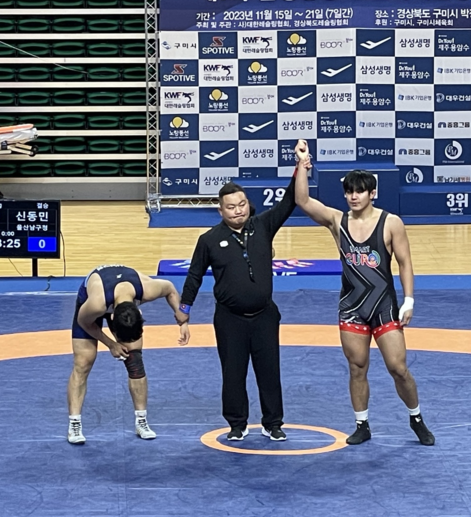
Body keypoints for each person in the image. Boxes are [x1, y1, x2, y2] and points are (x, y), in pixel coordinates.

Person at [293, 139, 435, 446]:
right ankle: (362, 425)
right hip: (352, 307)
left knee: (398, 368)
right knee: (357, 368)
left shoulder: (390, 223)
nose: (354, 197)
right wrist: (302, 164)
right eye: (349, 192)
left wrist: (409, 300)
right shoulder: (337, 221)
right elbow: (302, 200)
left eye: (360, 191)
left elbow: (405, 263)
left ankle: (416, 418)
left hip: (384, 307)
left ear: (373, 193)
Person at [174, 174, 297, 442]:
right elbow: (194, 275)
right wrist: (184, 310)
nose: (238, 210)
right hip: (230, 319)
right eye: (231, 207)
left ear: (248, 204)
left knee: (269, 371)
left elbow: (289, 201)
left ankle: (273, 423)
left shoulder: (263, 225)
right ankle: (237, 424)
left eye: (242, 204)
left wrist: (300, 168)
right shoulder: (209, 240)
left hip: (264, 316)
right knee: (233, 373)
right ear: (221, 211)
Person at [68, 264, 190, 444]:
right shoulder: (96, 303)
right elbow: (84, 322)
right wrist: (111, 344)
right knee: (83, 362)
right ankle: (74, 423)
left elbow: (170, 289)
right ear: (112, 320)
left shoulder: (148, 289)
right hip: (90, 302)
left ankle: (141, 421)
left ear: (139, 312)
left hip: (119, 298)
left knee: (135, 360)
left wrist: (182, 321)